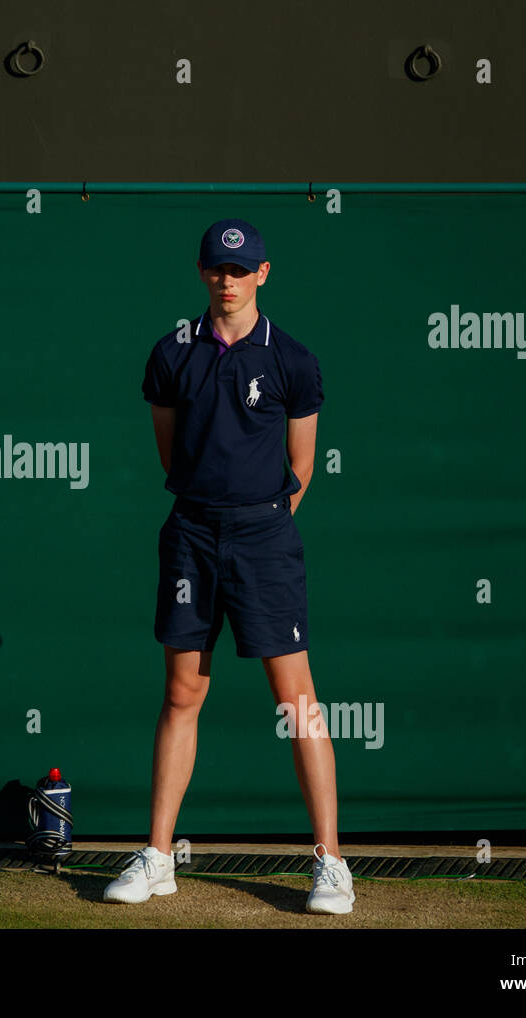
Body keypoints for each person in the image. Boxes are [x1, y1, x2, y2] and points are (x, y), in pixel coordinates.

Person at [103, 218, 355, 915]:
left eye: (241, 271)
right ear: (201, 271)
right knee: (183, 694)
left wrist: (261, 528)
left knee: (296, 702)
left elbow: (301, 467)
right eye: (217, 268)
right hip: (191, 533)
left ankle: (331, 863)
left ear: (263, 275)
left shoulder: (292, 360)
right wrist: (211, 514)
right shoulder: (171, 354)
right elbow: (171, 454)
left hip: (265, 539)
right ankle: (158, 857)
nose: (228, 280)